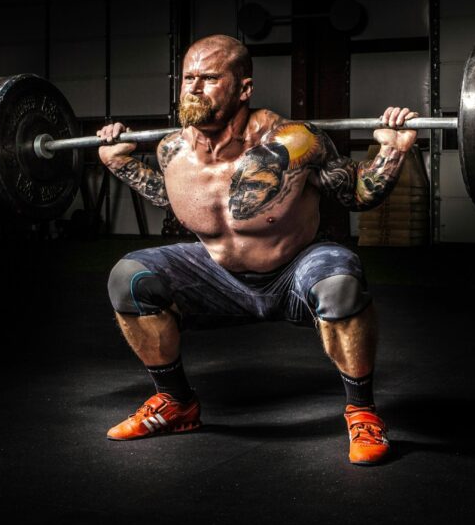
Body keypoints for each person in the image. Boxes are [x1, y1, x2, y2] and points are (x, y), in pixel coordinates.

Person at [96, 34, 417, 465]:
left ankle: (362, 412)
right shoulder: (171, 149)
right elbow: (171, 198)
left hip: (292, 269)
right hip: (216, 275)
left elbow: (356, 193)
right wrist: (122, 164)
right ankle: (176, 402)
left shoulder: (297, 142)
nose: (194, 87)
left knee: (341, 280)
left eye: (209, 78)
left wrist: (392, 152)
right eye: (189, 77)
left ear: (244, 88)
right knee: (129, 278)